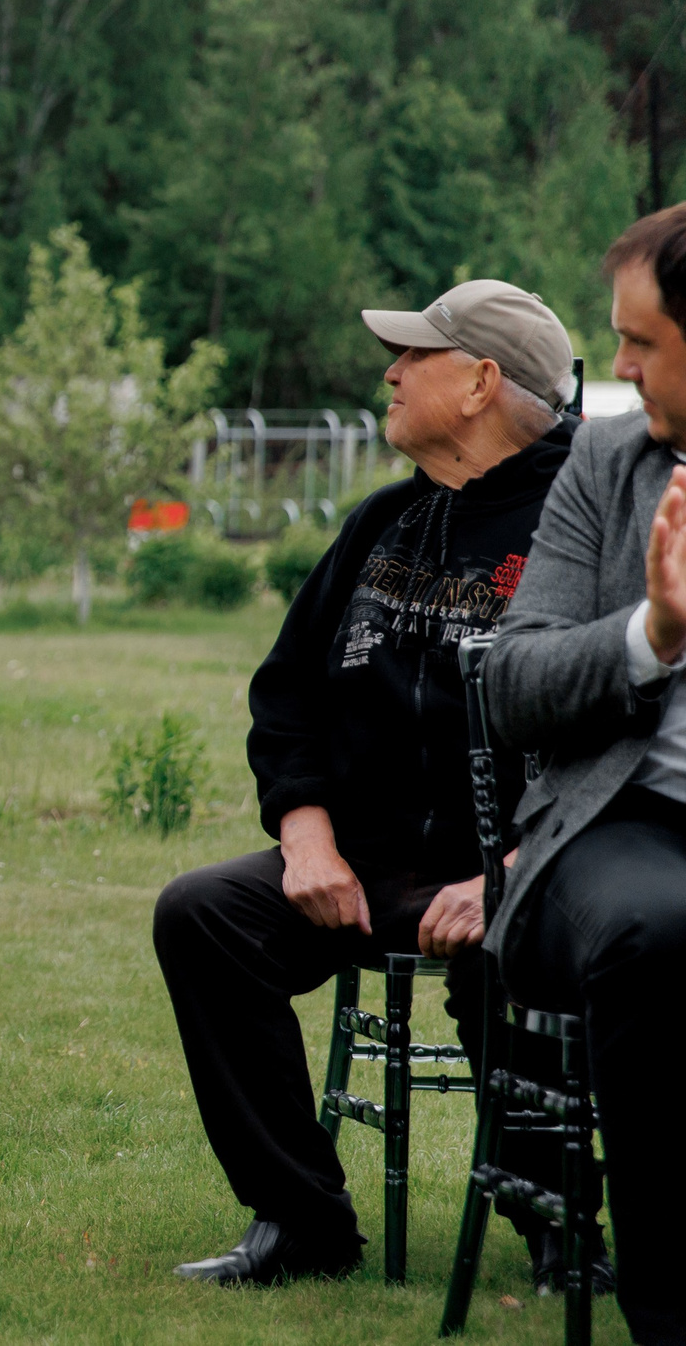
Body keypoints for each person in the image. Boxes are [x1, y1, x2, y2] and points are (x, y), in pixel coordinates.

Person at [152, 280, 581, 1287]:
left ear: (479, 383)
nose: (390, 372)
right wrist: (305, 837)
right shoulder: (384, 521)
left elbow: (624, 727)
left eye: (414, 355)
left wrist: (512, 870)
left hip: (530, 864)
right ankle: (301, 1221)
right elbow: (286, 694)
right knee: (204, 915)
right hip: (365, 864)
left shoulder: (584, 526)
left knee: (504, 950)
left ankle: (559, 1232)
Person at [484, 205, 686, 1345]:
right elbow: (511, 682)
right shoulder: (607, 464)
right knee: (662, 931)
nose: (618, 366)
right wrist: (650, 634)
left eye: (641, 340)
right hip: (619, 827)